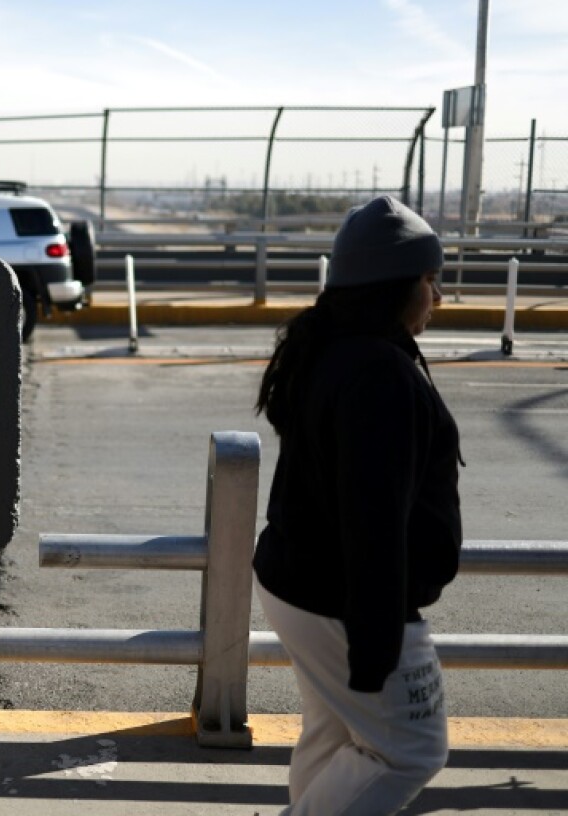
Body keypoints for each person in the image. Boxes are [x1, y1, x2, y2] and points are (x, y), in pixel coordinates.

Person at [252, 195, 463, 815]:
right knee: (410, 751)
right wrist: (379, 649)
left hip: (303, 585)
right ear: (393, 286)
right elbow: (374, 520)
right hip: (347, 603)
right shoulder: (379, 374)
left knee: (336, 734)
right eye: (430, 280)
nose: (438, 297)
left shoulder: (333, 347)